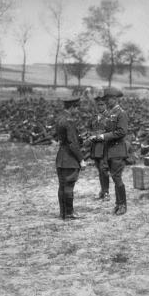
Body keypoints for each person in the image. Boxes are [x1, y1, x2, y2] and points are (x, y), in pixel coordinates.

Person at [90, 86, 129, 215]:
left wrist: (103, 136)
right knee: (114, 177)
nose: (106, 102)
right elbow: (106, 128)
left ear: (115, 99)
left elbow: (122, 132)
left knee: (117, 178)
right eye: (106, 99)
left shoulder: (121, 113)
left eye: (109, 99)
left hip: (118, 150)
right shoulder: (110, 113)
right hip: (110, 150)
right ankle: (118, 204)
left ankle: (122, 205)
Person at [55, 96, 86, 220]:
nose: (77, 110)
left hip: (61, 157)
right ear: (72, 107)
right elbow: (72, 143)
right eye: (77, 107)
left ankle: (63, 213)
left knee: (62, 186)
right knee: (69, 186)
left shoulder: (59, 119)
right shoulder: (69, 121)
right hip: (70, 159)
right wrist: (81, 159)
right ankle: (69, 213)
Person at [87, 96, 110, 200]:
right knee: (99, 169)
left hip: (105, 146)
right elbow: (89, 128)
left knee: (104, 169)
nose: (100, 106)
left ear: (106, 105)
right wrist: (90, 135)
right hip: (95, 146)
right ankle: (102, 190)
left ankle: (106, 192)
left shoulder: (110, 116)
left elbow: (112, 132)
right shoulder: (94, 116)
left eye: (102, 104)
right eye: (98, 105)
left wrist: (98, 135)